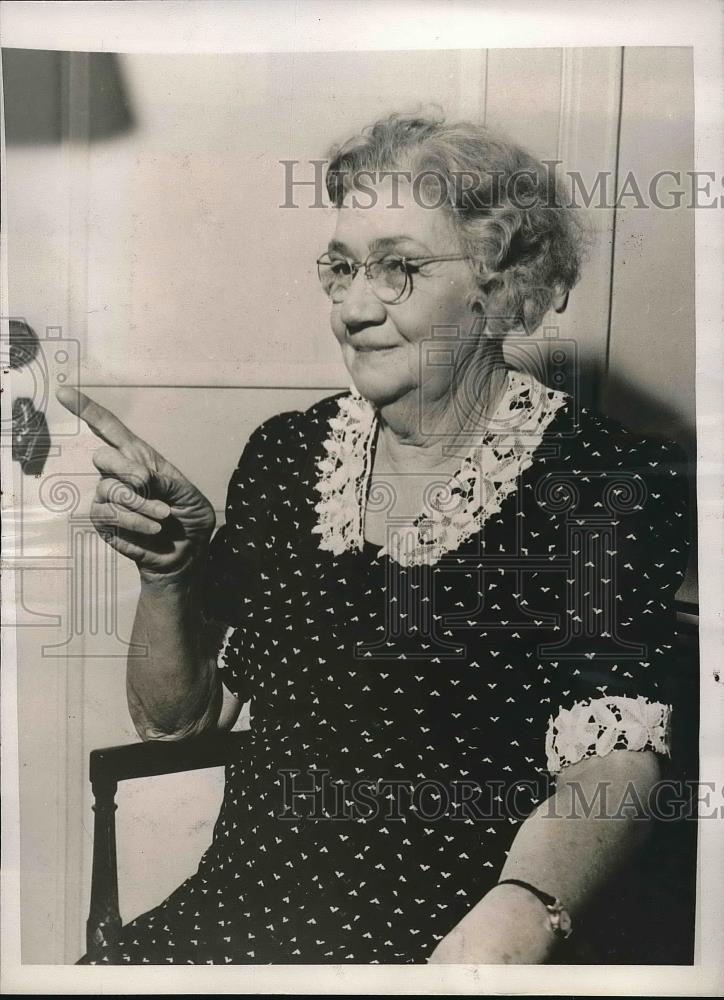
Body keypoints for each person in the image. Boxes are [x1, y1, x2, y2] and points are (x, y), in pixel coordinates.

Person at [59, 113, 690, 965]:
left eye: (399, 268)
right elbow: (180, 723)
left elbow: (614, 763)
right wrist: (170, 577)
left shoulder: (597, 479)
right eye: (343, 268)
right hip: (243, 914)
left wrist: (523, 915)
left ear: (499, 286)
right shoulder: (288, 456)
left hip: (458, 934)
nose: (354, 309)